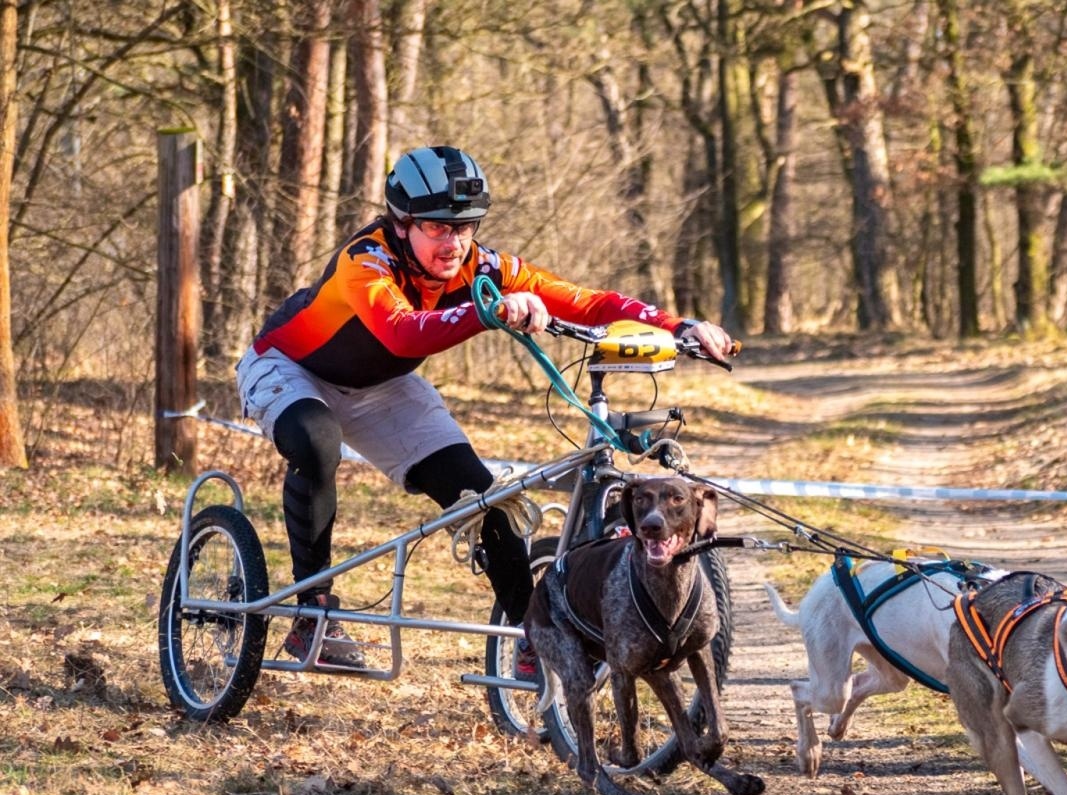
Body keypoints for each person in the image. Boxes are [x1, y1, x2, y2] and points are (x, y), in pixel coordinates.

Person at [237, 145, 735, 670]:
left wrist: (678, 326)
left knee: (486, 498)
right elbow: (401, 333)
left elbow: (587, 302)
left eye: (465, 227)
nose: (453, 243)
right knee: (317, 441)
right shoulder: (366, 260)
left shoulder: (481, 265)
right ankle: (312, 616)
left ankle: (533, 636)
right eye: (437, 227)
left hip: (382, 385)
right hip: (289, 367)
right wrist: (489, 310)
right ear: (402, 223)